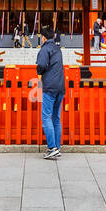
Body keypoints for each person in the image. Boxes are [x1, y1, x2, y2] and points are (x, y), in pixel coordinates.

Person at [34, 25, 64, 158]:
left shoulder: (45, 49)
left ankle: (52, 148)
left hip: (50, 87)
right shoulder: (58, 49)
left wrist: (39, 72)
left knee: (46, 117)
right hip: (60, 87)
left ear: (44, 38)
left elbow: (41, 65)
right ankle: (57, 147)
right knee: (56, 118)